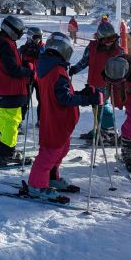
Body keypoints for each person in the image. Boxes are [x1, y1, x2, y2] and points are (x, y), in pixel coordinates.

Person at [26, 32, 102, 200]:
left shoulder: (52, 67)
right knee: (50, 152)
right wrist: (88, 99)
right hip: (56, 119)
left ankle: (52, 177)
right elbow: (64, 98)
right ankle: (36, 185)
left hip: (59, 119)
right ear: (62, 50)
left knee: (62, 148)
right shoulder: (55, 70)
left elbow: (63, 92)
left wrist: (83, 93)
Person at [0, 15, 34, 166]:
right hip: (11, 88)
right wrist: (28, 70)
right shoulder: (5, 44)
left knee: (3, 118)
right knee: (13, 121)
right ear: (11, 30)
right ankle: (6, 153)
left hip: (2, 88)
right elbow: (12, 69)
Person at [69, 22, 123, 143]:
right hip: (93, 82)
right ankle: (98, 129)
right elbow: (85, 61)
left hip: (109, 84)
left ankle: (110, 132)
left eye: (112, 39)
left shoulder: (118, 51)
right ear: (99, 38)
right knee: (96, 107)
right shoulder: (92, 47)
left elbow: (125, 68)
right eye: (106, 39)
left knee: (104, 107)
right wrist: (75, 69)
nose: (109, 42)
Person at [19, 27, 45, 127]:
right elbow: (19, 61)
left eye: (40, 37)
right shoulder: (23, 49)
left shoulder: (42, 47)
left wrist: (37, 51)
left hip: (39, 78)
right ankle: (19, 121)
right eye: (36, 37)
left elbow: (43, 56)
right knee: (25, 101)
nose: (38, 40)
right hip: (28, 78)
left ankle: (41, 120)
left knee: (42, 100)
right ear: (30, 37)